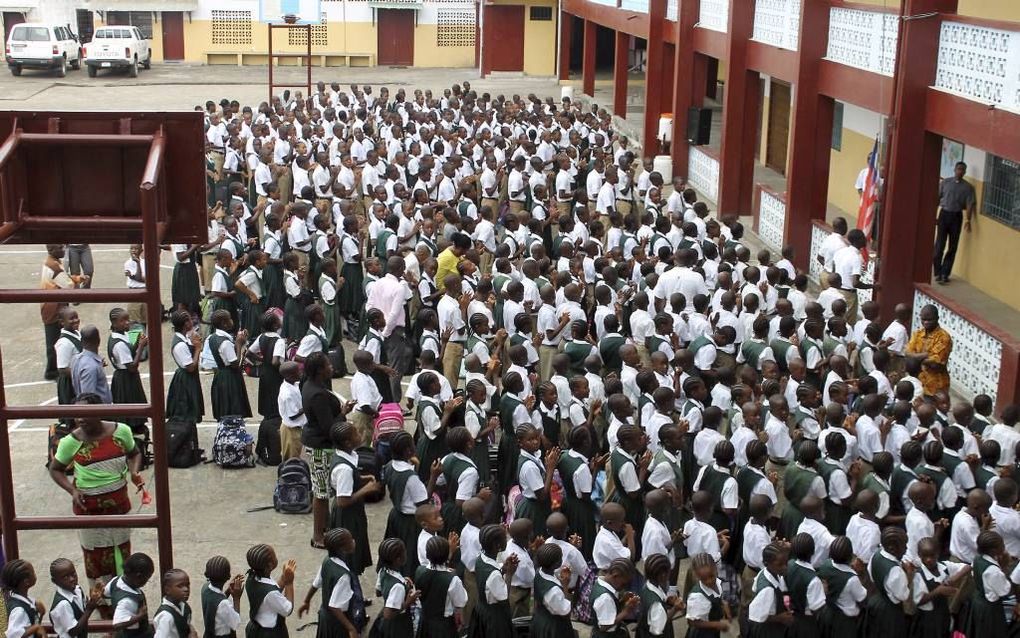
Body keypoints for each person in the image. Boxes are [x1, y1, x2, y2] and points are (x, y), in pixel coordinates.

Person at [48, 393, 144, 597]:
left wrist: (134, 472)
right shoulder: (70, 442)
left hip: (119, 505)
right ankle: (104, 608)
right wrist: (72, 490)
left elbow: (134, 452)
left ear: (99, 411)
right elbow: (55, 469)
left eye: (85, 413)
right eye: (76, 414)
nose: (80, 418)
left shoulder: (121, 431)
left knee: (122, 554)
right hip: (88, 510)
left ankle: (124, 599)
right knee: (96, 559)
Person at [302, 352, 346, 549]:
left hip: (317, 443)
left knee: (322, 490)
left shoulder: (311, 384)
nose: (331, 367)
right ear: (320, 370)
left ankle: (326, 528)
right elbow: (328, 427)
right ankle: (318, 535)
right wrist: (344, 413)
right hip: (320, 447)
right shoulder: (318, 394)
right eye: (328, 365)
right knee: (321, 493)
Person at [297, 528, 365, 638]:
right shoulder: (344, 576)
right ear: (342, 549)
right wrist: (351, 628)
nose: (353, 541)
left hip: (325, 617)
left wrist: (306, 601)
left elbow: (316, 583)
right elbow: (334, 606)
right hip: (338, 623)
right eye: (350, 540)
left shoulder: (327, 561)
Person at [42, 244, 87, 381]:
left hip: (52, 305)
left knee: (55, 337)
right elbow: (68, 285)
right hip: (54, 307)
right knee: (55, 339)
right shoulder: (54, 266)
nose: (63, 250)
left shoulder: (52, 262)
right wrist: (78, 281)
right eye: (60, 248)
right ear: (51, 250)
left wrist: (77, 278)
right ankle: (52, 371)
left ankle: (54, 368)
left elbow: (65, 278)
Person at [933, 161, 976, 284]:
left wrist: (968, 220)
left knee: (952, 246)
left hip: (956, 216)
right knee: (939, 246)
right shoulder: (946, 183)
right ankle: (937, 272)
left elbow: (969, 204)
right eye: (958, 169)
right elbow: (937, 198)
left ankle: (945, 273)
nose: (960, 171)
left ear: (965, 172)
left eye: (962, 170)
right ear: (954, 170)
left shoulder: (968, 188)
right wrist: (934, 215)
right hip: (944, 214)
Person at [206, 310, 252, 420]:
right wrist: (239, 344)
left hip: (220, 375)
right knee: (232, 408)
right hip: (230, 379)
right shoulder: (225, 342)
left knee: (225, 408)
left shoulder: (213, 337)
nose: (232, 321)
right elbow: (236, 364)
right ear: (224, 323)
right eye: (230, 319)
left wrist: (239, 340)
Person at [243, 544, 296, 638]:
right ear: (270, 565)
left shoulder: (252, 578)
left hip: (255, 628)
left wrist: (283, 578)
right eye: (274, 556)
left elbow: (271, 591)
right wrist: (289, 583)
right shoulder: (270, 593)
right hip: (270, 633)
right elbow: (287, 610)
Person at [165, 310, 204, 424]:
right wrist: (197, 348)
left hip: (189, 379)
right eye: (189, 319)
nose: (191, 320)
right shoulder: (180, 345)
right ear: (186, 324)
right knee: (187, 411)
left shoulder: (185, 337)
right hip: (185, 381)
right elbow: (190, 367)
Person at [49, 558, 103, 638]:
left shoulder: (77, 589)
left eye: (73, 573)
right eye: (65, 577)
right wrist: (89, 609)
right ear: (54, 581)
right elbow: (73, 631)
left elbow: (81, 613)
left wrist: (92, 600)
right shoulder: (63, 604)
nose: (72, 579)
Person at [906, 304, 952, 398]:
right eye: (923, 319)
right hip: (917, 384)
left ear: (937, 318)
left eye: (929, 320)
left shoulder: (944, 337)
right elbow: (907, 354)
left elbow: (935, 363)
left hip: (936, 388)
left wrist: (915, 358)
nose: (926, 322)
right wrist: (926, 355)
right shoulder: (918, 334)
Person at [106, 552, 155, 638]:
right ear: (139, 576)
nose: (146, 582)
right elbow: (117, 624)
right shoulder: (127, 600)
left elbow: (105, 593)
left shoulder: (115, 581)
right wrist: (140, 616)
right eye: (147, 578)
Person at [199, 556, 243, 638]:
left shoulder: (205, 588)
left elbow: (216, 604)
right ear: (228, 576)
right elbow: (235, 623)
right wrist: (236, 598)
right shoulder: (224, 603)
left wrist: (228, 591)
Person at [70, 326, 111, 404]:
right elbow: (88, 399)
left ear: (81, 341)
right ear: (98, 341)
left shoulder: (76, 359)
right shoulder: (91, 367)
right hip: (99, 412)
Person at [152, 569, 195, 638]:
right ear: (167, 590)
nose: (186, 589)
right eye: (180, 586)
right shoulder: (166, 616)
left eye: (187, 585)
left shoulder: (185, 607)